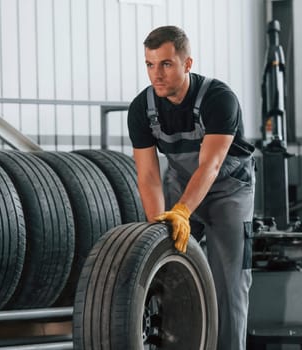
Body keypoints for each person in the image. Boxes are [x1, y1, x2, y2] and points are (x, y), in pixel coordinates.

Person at [127, 25, 256, 350]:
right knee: (165, 272)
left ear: (187, 64)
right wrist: (160, 226)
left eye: (166, 64)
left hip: (229, 191)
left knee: (230, 284)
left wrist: (183, 212)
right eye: (150, 64)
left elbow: (211, 165)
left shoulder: (219, 99)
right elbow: (149, 176)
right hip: (180, 185)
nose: (156, 74)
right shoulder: (142, 109)